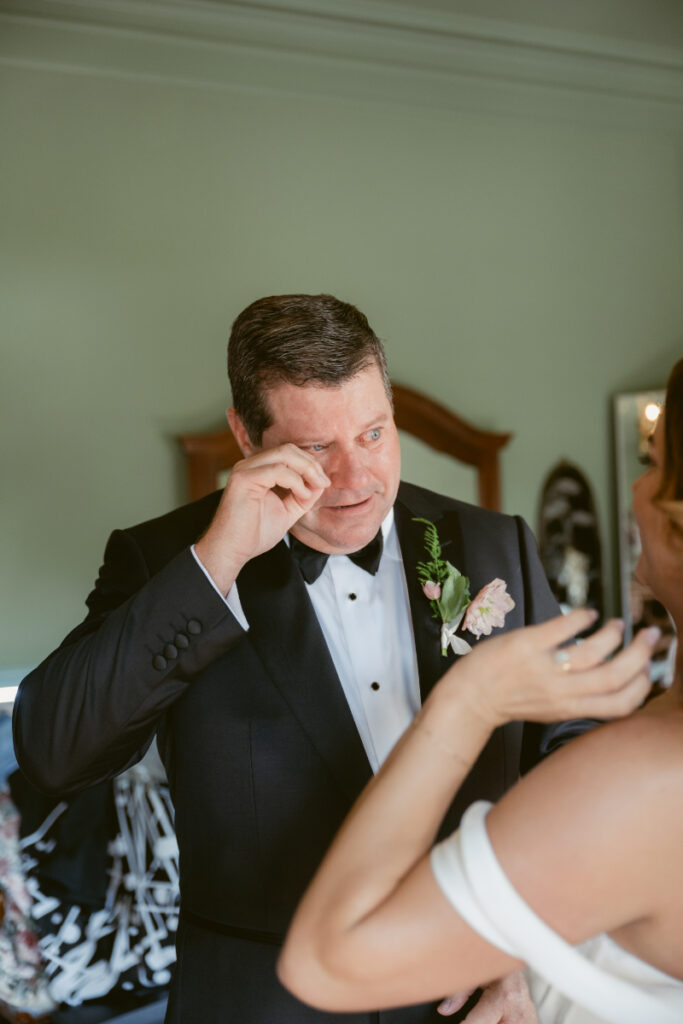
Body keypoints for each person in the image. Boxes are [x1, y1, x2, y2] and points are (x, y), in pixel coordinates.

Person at [16, 293, 588, 1024]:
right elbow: (52, 752)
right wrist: (217, 561)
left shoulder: (489, 544)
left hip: (476, 993)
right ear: (244, 436)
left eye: (373, 433)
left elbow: (572, 756)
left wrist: (518, 942)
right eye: (316, 448)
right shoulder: (166, 561)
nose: (355, 481)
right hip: (267, 1003)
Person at [277, 358, 683, 1024]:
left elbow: (325, 960)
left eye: (656, 461)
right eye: (317, 447)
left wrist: (470, 701)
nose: (637, 486)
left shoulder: (647, 777)